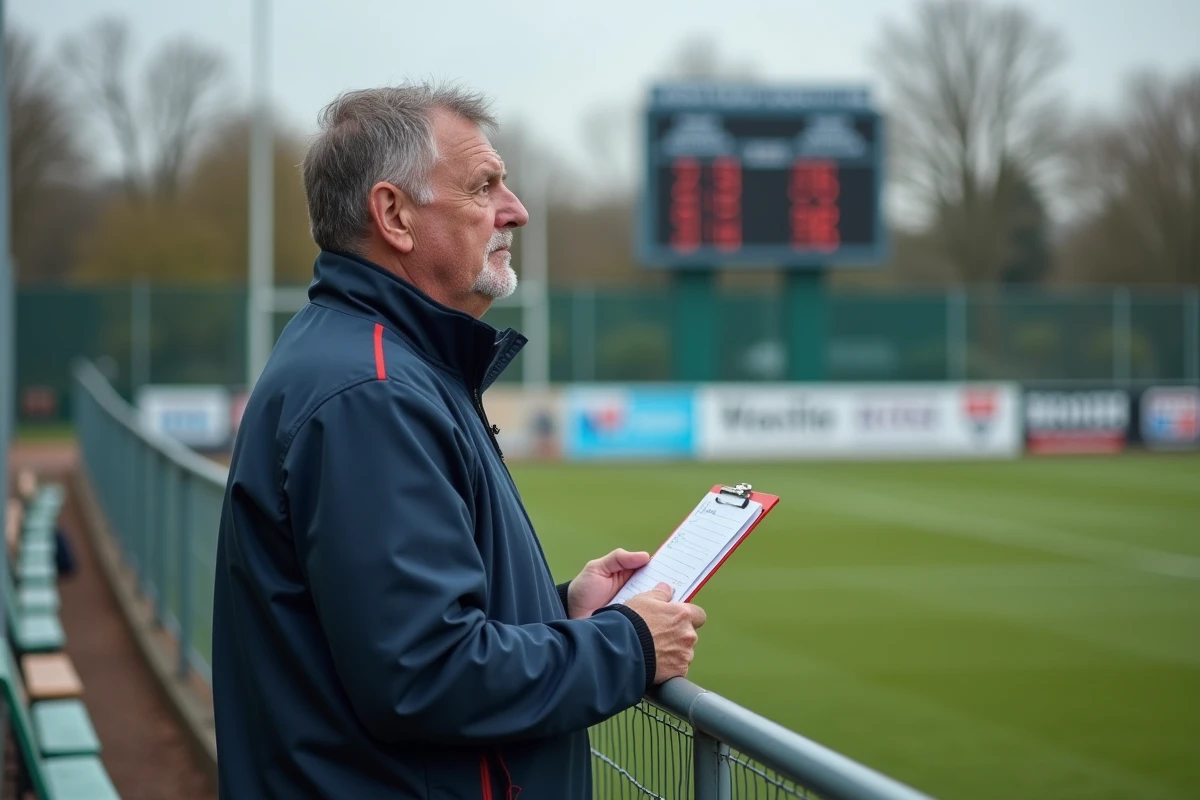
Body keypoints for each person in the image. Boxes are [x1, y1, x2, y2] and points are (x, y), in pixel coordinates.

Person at [211, 82, 707, 799]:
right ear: (394, 215)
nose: (517, 211)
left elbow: (392, 627)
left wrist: (561, 610)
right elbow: (424, 672)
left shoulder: (382, 363)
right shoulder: (371, 392)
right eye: (485, 187)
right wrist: (627, 645)